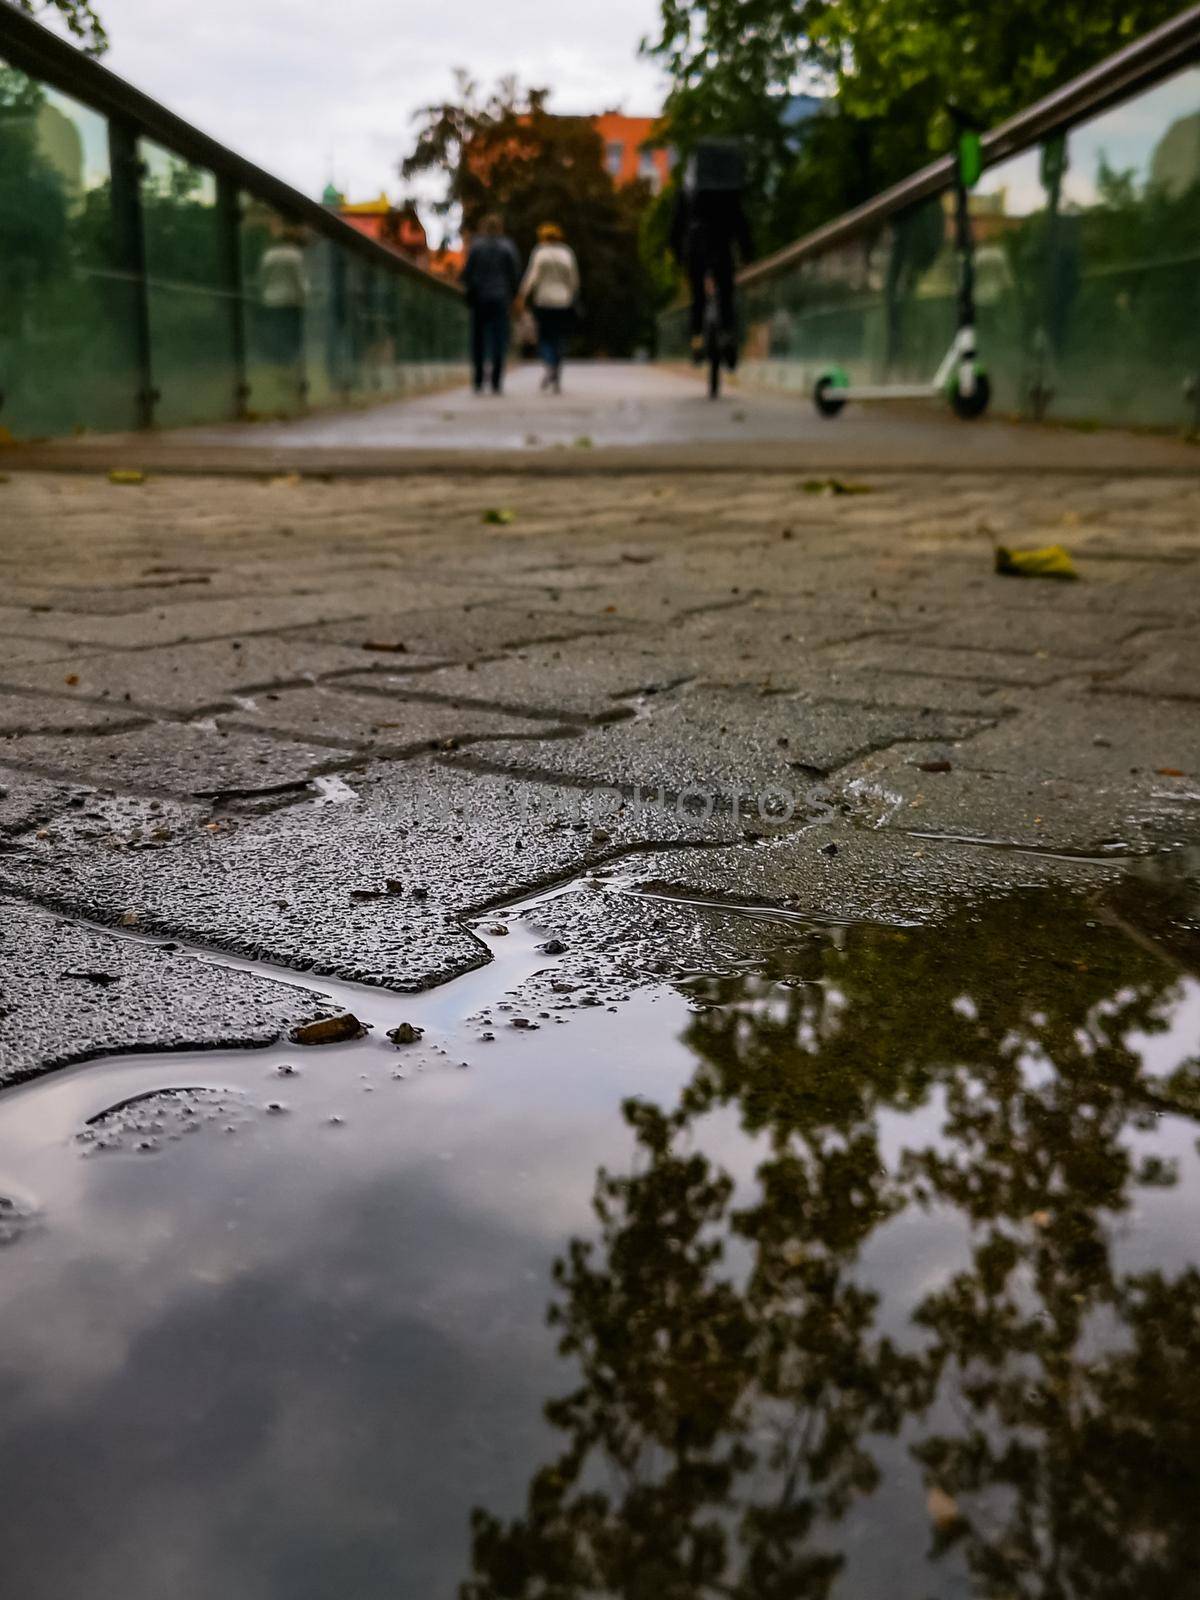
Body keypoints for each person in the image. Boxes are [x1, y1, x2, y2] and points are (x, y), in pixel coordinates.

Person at [669, 140, 753, 369]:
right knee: (726, 294)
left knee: (698, 297)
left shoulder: (687, 192)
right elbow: (741, 224)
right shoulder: (729, 191)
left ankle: (697, 341)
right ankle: (727, 336)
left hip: (696, 248)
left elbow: (676, 228)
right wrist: (747, 253)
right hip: (722, 245)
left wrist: (678, 256)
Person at [517, 223, 580, 394]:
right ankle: (556, 372)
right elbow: (574, 280)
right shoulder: (567, 253)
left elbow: (531, 276)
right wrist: (571, 295)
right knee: (559, 337)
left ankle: (550, 365)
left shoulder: (540, 252)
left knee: (544, 337)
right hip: (563, 301)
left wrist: (522, 295)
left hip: (544, 301)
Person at [462, 213, 521, 395]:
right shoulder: (507, 246)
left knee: (478, 339)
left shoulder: (477, 246)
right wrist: (514, 294)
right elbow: (515, 273)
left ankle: (478, 379)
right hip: (500, 297)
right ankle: (496, 381)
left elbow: (467, 273)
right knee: (498, 339)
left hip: (480, 297)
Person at [258, 223, 308, 371]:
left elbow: (262, 278)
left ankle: (277, 361)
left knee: (276, 330)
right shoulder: (295, 255)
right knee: (291, 332)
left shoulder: (268, 256)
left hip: (271, 300)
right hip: (290, 300)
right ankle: (289, 361)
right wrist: (304, 297)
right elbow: (300, 280)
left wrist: (264, 294)